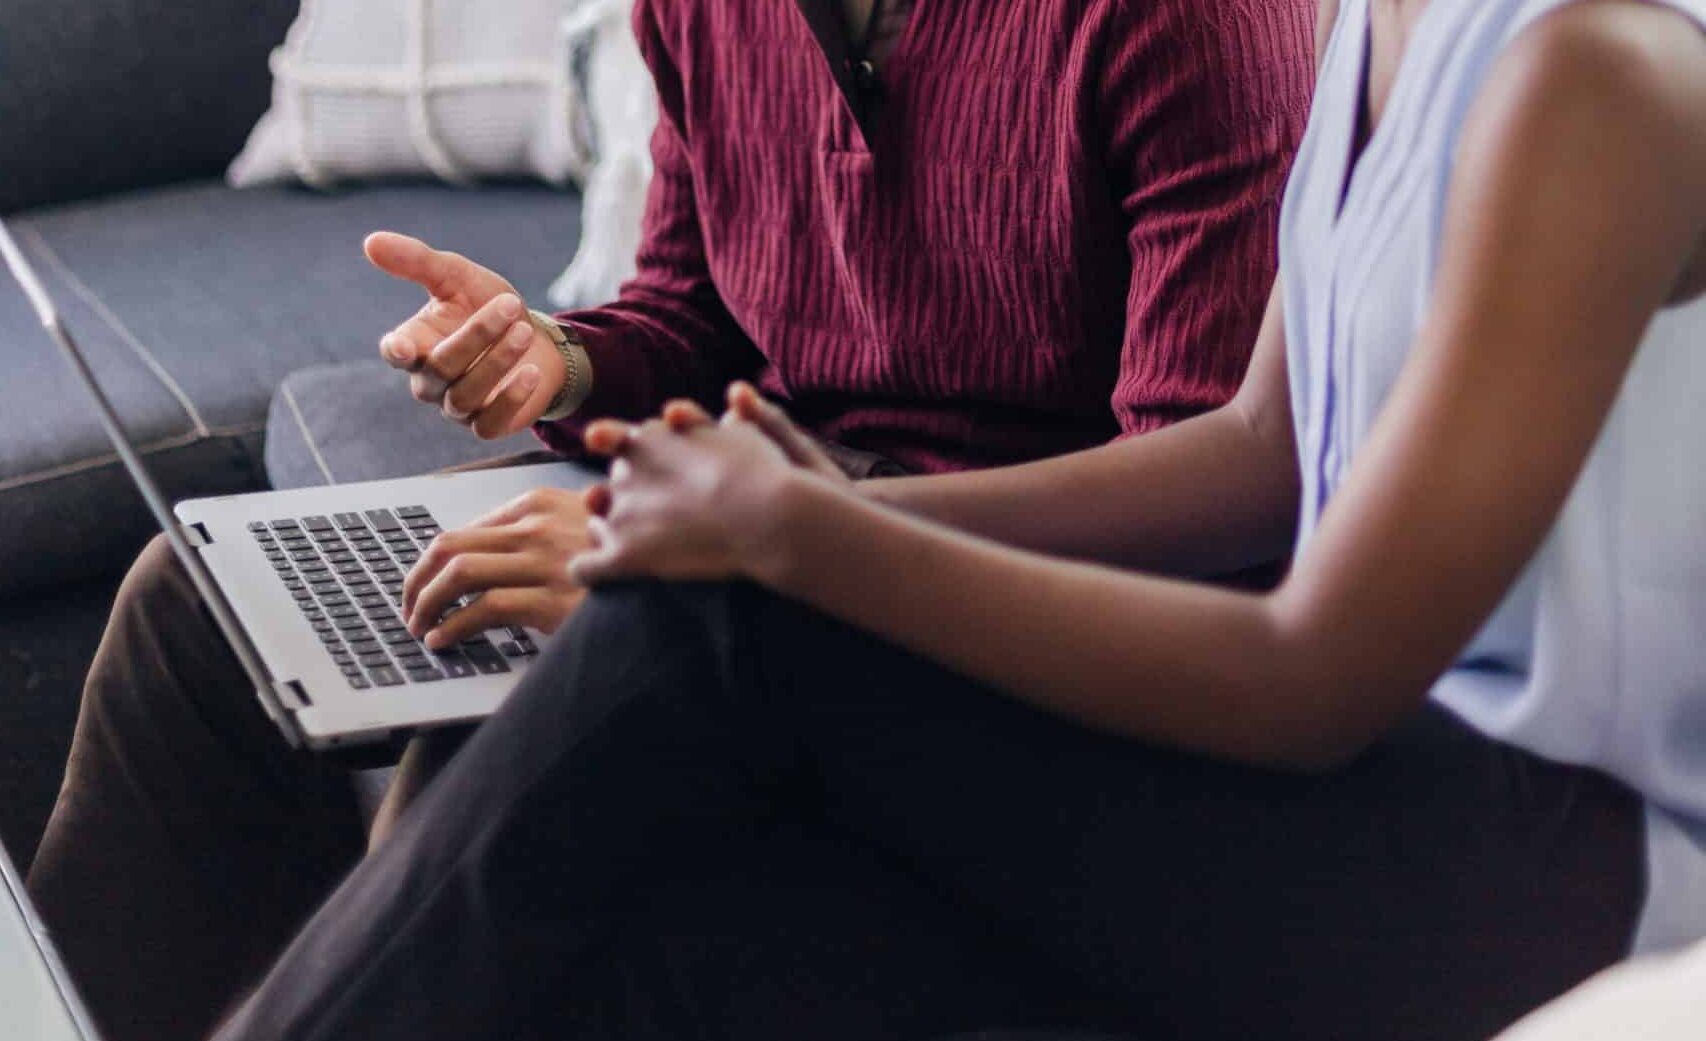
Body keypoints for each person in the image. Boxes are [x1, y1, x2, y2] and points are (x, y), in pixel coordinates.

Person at [200, 0, 1706, 1039]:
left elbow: (1318, 677)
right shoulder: (1388, 19)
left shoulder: (1592, 77)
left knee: (716, 607)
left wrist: (812, 538)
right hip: (1393, 794)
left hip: (1552, 864)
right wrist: (810, 504)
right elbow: (1254, 449)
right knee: (666, 944)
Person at [24, 1, 1314, 1040]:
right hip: (760, 507)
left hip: (1011, 606)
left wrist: (777, 545)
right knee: (194, 608)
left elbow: (1194, 494)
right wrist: (555, 360)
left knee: (495, 733)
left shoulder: (1183, 23)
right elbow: (695, 310)